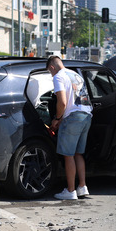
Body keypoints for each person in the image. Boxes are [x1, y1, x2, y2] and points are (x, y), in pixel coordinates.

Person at [47, 56, 93, 200]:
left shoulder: (58, 77)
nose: (51, 74)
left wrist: (57, 118)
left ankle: (70, 190)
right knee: (78, 154)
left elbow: (62, 102)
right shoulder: (75, 75)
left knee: (68, 155)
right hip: (86, 116)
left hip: (72, 118)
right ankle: (82, 187)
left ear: (52, 67)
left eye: (50, 72)